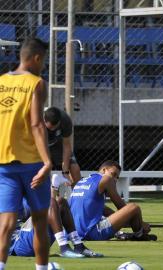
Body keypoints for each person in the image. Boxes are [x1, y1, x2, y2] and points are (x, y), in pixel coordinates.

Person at [0, 38, 52, 270]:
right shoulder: (36, 83)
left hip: (4, 164)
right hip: (32, 163)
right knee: (40, 221)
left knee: (6, 224)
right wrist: (47, 162)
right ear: (37, 58)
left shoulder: (0, 82)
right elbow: (36, 125)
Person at [69, 160, 155, 241]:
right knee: (134, 207)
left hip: (73, 233)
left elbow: (102, 209)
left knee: (103, 215)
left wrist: (121, 219)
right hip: (90, 232)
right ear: (103, 170)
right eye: (113, 174)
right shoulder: (107, 179)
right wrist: (141, 223)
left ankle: (120, 233)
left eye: (117, 177)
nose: (115, 179)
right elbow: (122, 207)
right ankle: (139, 235)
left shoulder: (83, 181)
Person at [9, 197, 102, 258]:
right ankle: (64, 247)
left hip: (25, 235)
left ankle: (78, 246)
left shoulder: (19, 197)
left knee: (61, 202)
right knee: (50, 201)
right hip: (18, 245)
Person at [44, 106, 81, 186]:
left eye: (55, 127)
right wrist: (46, 164)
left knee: (75, 169)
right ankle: (50, 196)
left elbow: (66, 145)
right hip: (40, 147)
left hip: (58, 145)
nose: (52, 130)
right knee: (42, 172)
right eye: (50, 128)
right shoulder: (36, 120)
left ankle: (77, 196)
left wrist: (65, 172)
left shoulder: (65, 120)